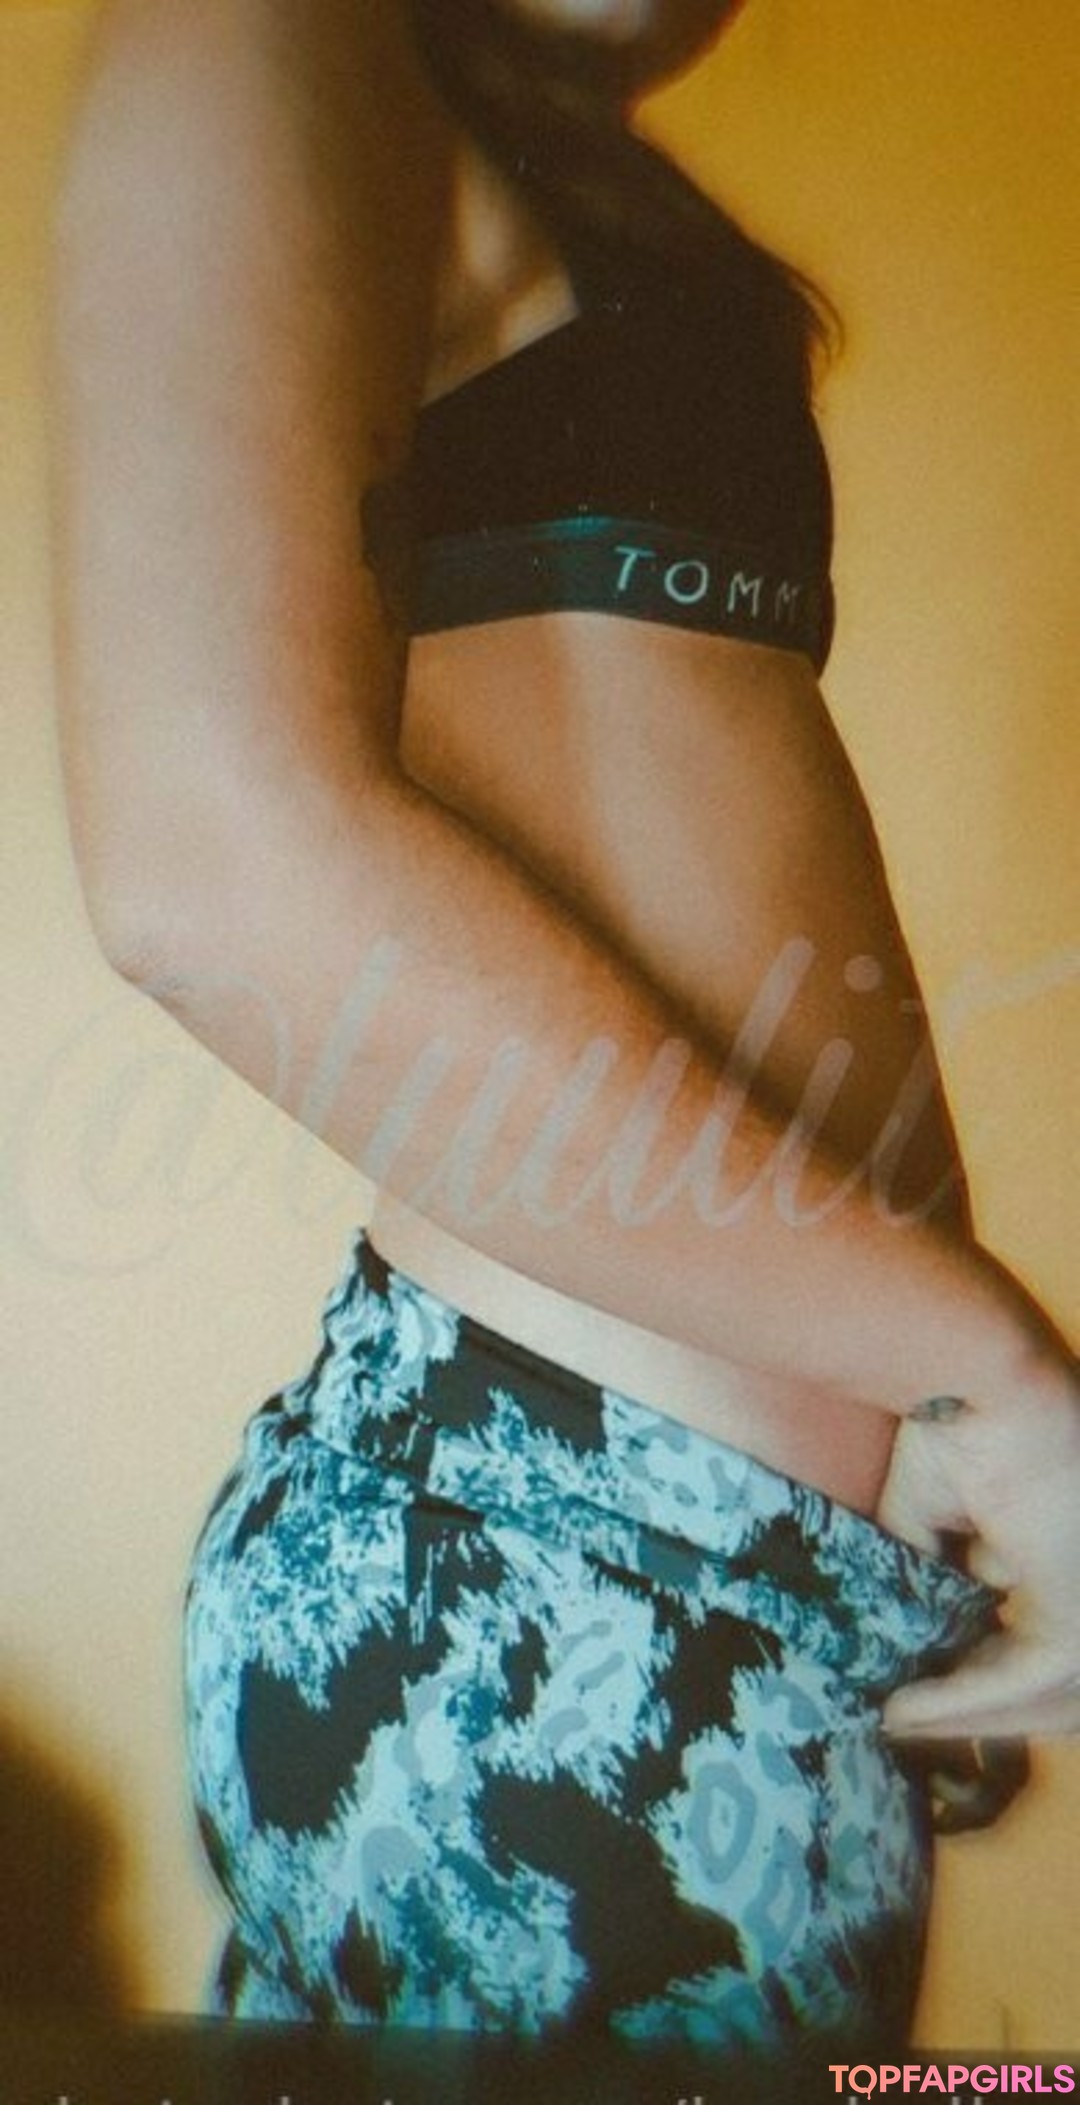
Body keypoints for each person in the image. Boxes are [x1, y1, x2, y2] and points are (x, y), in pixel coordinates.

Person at [50, 0, 1078, 2055]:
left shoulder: (478, 144)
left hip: (682, 1602)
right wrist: (971, 1361)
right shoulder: (258, 30)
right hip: (556, 1598)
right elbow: (205, 864)